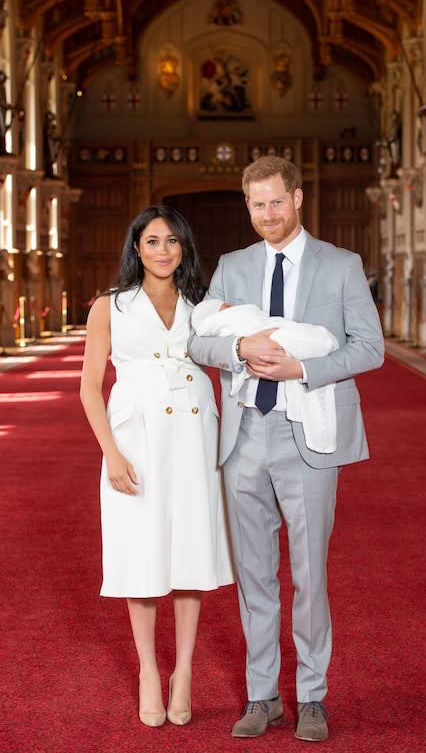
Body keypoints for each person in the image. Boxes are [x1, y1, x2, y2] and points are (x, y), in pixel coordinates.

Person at [189, 156, 384, 742]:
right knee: (254, 577)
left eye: (277, 201)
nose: (268, 214)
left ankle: (313, 696)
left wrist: (304, 365)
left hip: (309, 435)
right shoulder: (232, 265)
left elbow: (369, 348)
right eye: (257, 204)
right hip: (245, 435)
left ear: (297, 199)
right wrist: (238, 347)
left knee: (309, 575)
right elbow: (199, 339)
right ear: (247, 207)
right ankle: (262, 695)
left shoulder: (341, 265)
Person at [80, 205, 234, 729]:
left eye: (172, 241)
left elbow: (231, 353)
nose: (163, 250)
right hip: (136, 438)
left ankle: (184, 671)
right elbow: (89, 385)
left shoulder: (204, 304)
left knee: (191, 551)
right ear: (136, 248)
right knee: (142, 554)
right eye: (152, 241)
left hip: (194, 435)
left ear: (185, 248)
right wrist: (111, 453)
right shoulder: (110, 305)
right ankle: (149, 668)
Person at [191, 299, 339, 453]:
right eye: (226, 308)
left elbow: (365, 345)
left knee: (304, 337)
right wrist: (241, 347)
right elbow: (195, 345)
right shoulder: (224, 303)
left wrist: (302, 369)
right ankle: (321, 341)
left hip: (296, 416)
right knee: (301, 339)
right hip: (245, 425)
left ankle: (321, 341)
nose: (232, 307)